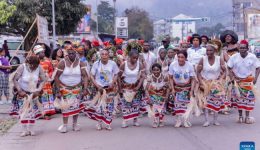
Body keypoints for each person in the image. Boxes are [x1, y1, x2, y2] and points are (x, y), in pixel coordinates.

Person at [55, 44, 88, 133]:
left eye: (73, 53)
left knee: (76, 107)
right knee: (65, 108)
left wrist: (85, 88)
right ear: (67, 54)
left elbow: (85, 76)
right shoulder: (62, 62)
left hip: (76, 88)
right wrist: (58, 90)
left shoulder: (81, 62)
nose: (72, 55)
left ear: (76, 53)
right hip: (64, 88)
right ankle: (65, 125)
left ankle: (74, 124)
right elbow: (56, 77)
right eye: (70, 53)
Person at [12, 55, 46, 137]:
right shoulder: (22, 67)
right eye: (33, 65)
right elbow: (15, 79)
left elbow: (43, 80)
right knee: (23, 111)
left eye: (36, 66)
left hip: (33, 93)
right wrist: (19, 90)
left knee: (32, 112)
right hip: (23, 93)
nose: (34, 67)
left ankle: (31, 129)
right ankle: (24, 130)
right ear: (28, 63)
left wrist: (38, 90)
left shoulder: (39, 68)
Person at [85, 49, 119, 131]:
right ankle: (99, 123)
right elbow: (92, 75)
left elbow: (116, 74)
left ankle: (108, 123)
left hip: (109, 89)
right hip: (99, 89)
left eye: (106, 54)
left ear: (108, 55)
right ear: (100, 55)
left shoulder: (112, 63)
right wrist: (97, 85)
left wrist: (113, 82)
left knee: (109, 107)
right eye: (102, 54)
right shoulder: (96, 64)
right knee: (99, 107)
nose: (104, 56)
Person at [227, 40, 260, 124]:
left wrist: (255, 78)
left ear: (247, 48)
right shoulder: (234, 57)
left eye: (244, 48)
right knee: (239, 100)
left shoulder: (252, 57)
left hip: (248, 81)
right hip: (238, 82)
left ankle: (247, 117)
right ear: (238, 48)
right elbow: (229, 67)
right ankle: (240, 116)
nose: (242, 49)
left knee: (249, 100)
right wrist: (232, 77)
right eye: (241, 48)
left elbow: (258, 67)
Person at [197, 44, 226, 127]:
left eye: (210, 50)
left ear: (214, 51)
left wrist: (220, 80)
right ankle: (206, 120)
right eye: (207, 50)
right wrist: (200, 82)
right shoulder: (203, 59)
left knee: (216, 102)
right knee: (206, 102)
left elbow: (225, 71)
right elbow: (198, 72)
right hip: (205, 83)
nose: (208, 52)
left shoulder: (219, 59)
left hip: (216, 84)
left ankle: (215, 120)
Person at [118, 49, 145, 128]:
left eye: (136, 58)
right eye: (133, 58)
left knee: (136, 104)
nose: (135, 59)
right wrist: (120, 88)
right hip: (126, 86)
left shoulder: (140, 64)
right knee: (126, 104)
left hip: (136, 86)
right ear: (129, 57)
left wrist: (138, 86)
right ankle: (125, 120)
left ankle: (135, 120)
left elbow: (143, 76)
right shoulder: (124, 64)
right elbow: (118, 77)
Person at [169, 51, 195, 128]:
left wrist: (191, 90)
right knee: (177, 105)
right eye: (179, 57)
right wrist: (172, 89)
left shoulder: (189, 65)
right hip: (177, 88)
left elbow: (193, 79)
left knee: (186, 105)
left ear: (186, 58)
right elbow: (170, 78)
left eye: (182, 57)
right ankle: (178, 121)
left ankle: (186, 120)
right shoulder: (173, 65)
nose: (180, 59)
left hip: (187, 88)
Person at [33, 45, 56, 120]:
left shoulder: (47, 61)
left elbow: (51, 70)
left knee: (46, 98)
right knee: (38, 98)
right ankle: (39, 113)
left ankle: (46, 113)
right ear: (37, 54)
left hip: (46, 83)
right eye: (42, 52)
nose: (44, 54)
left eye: (43, 52)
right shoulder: (34, 62)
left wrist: (48, 75)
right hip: (37, 83)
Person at [144, 63, 169, 128]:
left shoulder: (164, 77)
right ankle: (155, 121)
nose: (156, 72)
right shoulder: (149, 77)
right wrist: (149, 98)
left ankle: (161, 120)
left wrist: (167, 96)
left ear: (160, 70)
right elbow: (146, 89)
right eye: (154, 70)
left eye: (157, 70)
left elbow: (168, 88)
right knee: (154, 108)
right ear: (152, 71)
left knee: (162, 109)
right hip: (153, 95)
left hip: (162, 95)